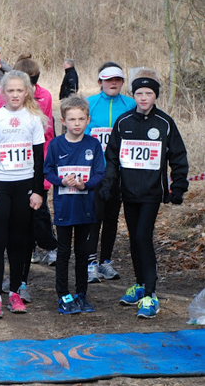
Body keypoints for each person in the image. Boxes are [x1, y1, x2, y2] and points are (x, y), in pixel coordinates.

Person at [99, 69, 188, 319]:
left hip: (151, 192)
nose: (144, 98)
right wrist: (108, 184)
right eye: (139, 93)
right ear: (134, 96)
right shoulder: (123, 122)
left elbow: (178, 156)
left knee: (143, 237)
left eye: (149, 93)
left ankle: (150, 294)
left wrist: (178, 187)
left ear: (155, 95)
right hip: (128, 192)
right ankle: (139, 285)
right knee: (134, 240)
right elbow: (112, 157)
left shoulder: (165, 123)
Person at [0, 70, 46, 319]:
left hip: (24, 185)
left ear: (27, 92)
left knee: (19, 242)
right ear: (3, 93)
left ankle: (15, 292)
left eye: (19, 90)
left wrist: (38, 190)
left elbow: (39, 157)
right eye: (10, 90)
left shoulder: (33, 118)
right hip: (0, 185)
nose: (15, 94)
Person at [44, 96, 105, 314]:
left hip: (86, 208)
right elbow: (47, 170)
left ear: (88, 120)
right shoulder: (56, 144)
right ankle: (63, 295)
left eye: (81, 119)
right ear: (63, 121)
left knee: (82, 253)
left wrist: (85, 185)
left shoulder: (93, 144)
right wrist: (61, 181)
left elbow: (100, 172)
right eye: (72, 119)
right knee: (63, 252)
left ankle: (81, 294)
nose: (77, 123)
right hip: (64, 208)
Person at [12, 53, 57, 302]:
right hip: (14, 165)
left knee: (39, 210)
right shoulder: (7, 97)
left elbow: (46, 129)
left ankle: (49, 246)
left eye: (32, 80)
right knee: (17, 215)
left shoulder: (45, 96)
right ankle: (23, 256)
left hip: (39, 160)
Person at [85, 63, 136, 283]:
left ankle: (105, 261)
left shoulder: (131, 104)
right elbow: (80, 133)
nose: (113, 83)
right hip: (95, 170)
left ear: (122, 82)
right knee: (95, 216)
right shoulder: (89, 103)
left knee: (112, 218)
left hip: (120, 170)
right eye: (108, 80)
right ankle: (90, 262)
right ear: (100, 82)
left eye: (117, 79)